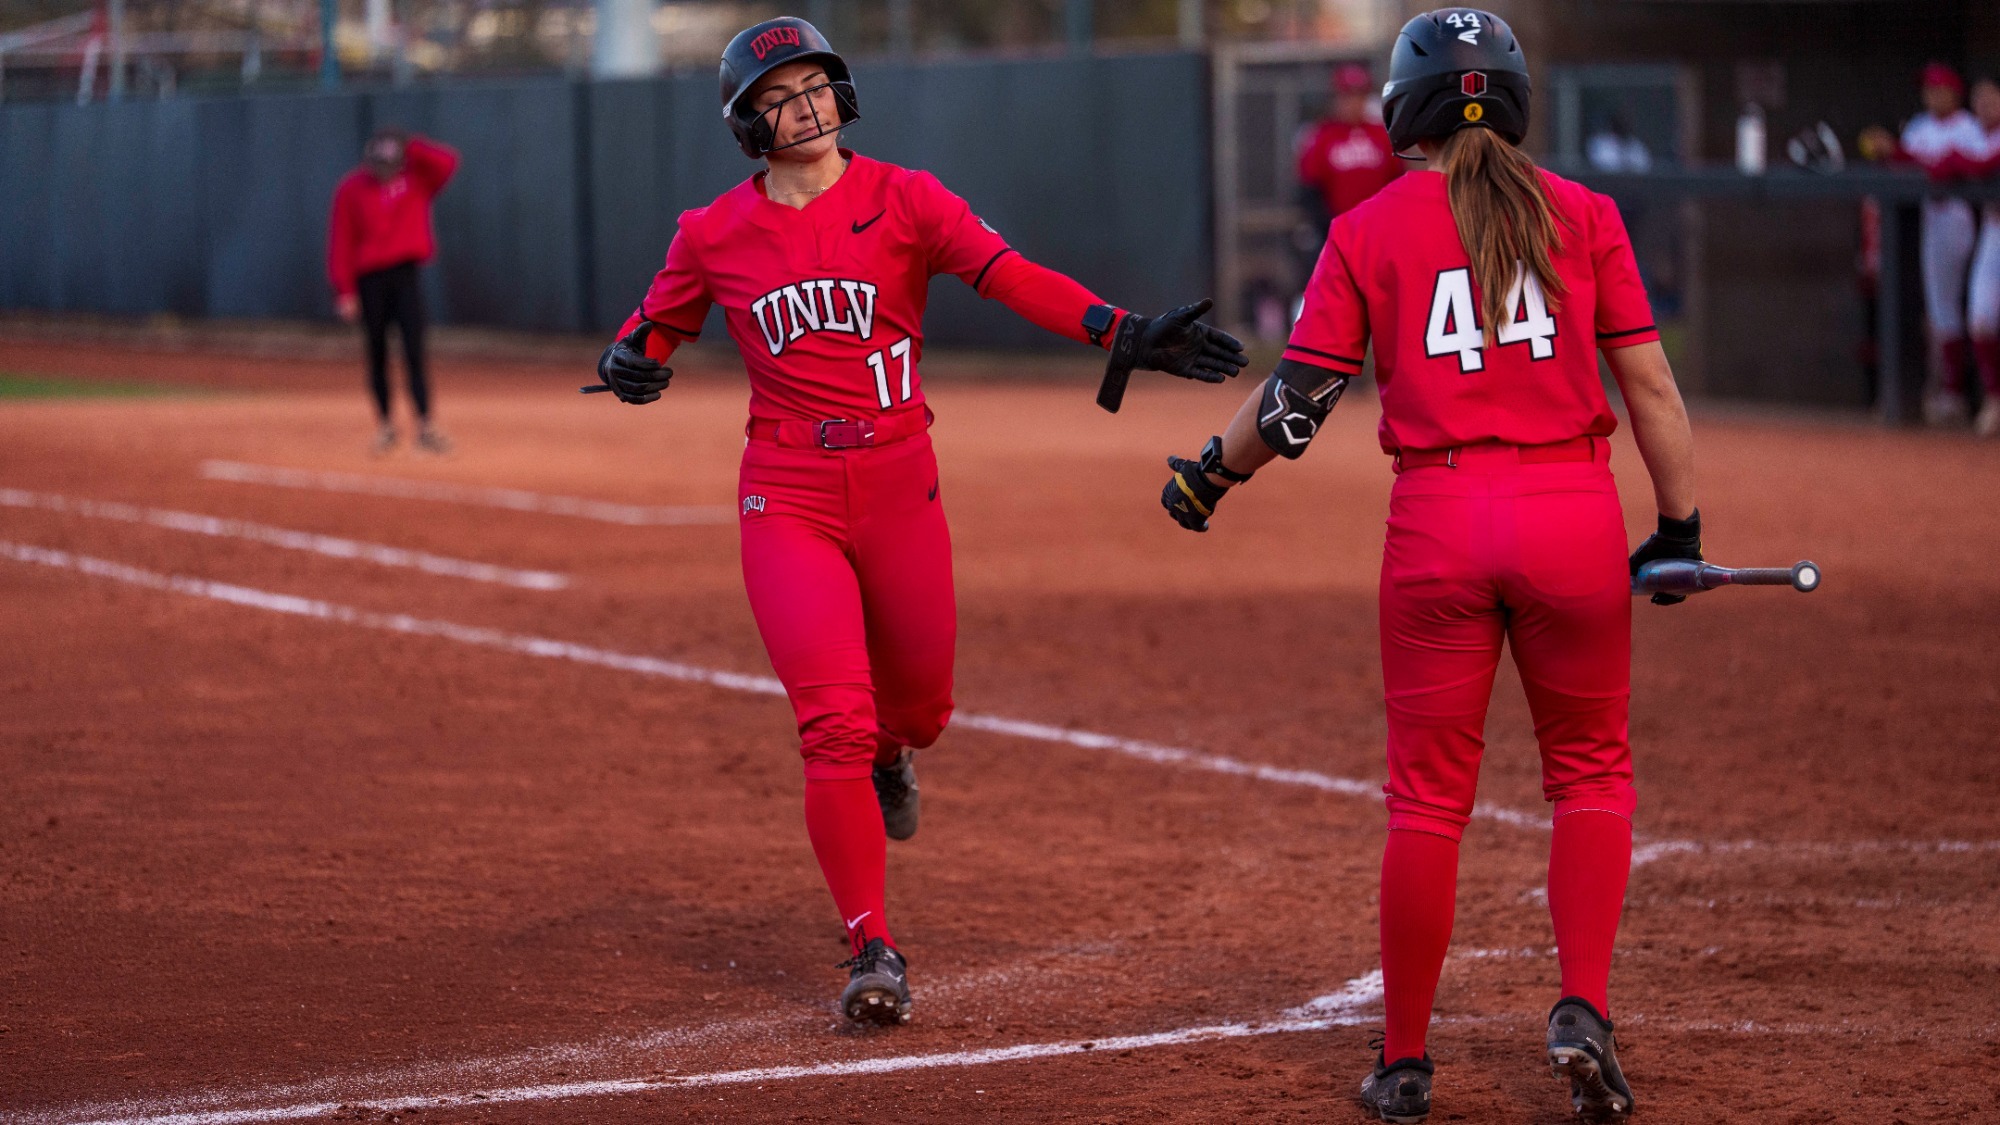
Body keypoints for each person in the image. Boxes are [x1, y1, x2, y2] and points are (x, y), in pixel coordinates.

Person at [593, 17, 1244, 1026]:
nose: (802, 103)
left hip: (900, 484)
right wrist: (627, 364)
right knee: (831, 725)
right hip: (786, 496)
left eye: (813, 84)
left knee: (919, 713)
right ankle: (871, 947)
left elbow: (1007, 273)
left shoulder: (905, 198)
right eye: (778, 93)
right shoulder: (711, 231)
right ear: (745, 124)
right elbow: (651, 331)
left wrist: (1120, 331)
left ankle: (894, 757)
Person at [1158, 9, 1693, 1122]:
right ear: (1512, 100)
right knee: (1589, 773)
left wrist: (1214, 471)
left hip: (1439, 517)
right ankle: (1581, 1009)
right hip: (1569, 514)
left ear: (1405, 108)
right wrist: (1678, 530)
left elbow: (1297, 400)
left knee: (1427, 805)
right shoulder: (1584, 214)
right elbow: (1647, 388)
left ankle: (1403, 1064)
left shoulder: (1367, 227)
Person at [1860, 64, 1986, 426]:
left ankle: (1959, 394)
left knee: (1967, 309)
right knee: (1942, 311)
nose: (1932, 96)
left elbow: (1952, 168)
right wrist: (1888, 150)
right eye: (1928, 90)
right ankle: (1950, 394)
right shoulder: (1920, 126)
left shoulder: (1968, 127)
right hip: (1930, 222)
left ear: (1955, 93)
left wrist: (1906, 155)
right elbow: (1907, 164)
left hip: (1962, 221)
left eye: (1939, 89)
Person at [328, 127, 460, 454]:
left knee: (414, 349)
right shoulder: (352, 188)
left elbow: (447, 163)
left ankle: (425, 425)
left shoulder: (415, 179)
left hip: (405, 275)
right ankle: (385, 425)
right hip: (370, 279)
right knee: (377, 353)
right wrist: (344, 290)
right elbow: (341, 239)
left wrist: (411, 145)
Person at [1938, 76, 2000, 437]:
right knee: (1981, 317)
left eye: (1993, 100)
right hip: (1993, 231)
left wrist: (1954, 158)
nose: (1985, 107)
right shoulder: (1977, 135)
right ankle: (1994, 399)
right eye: (1979, 102)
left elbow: (1979, 165)